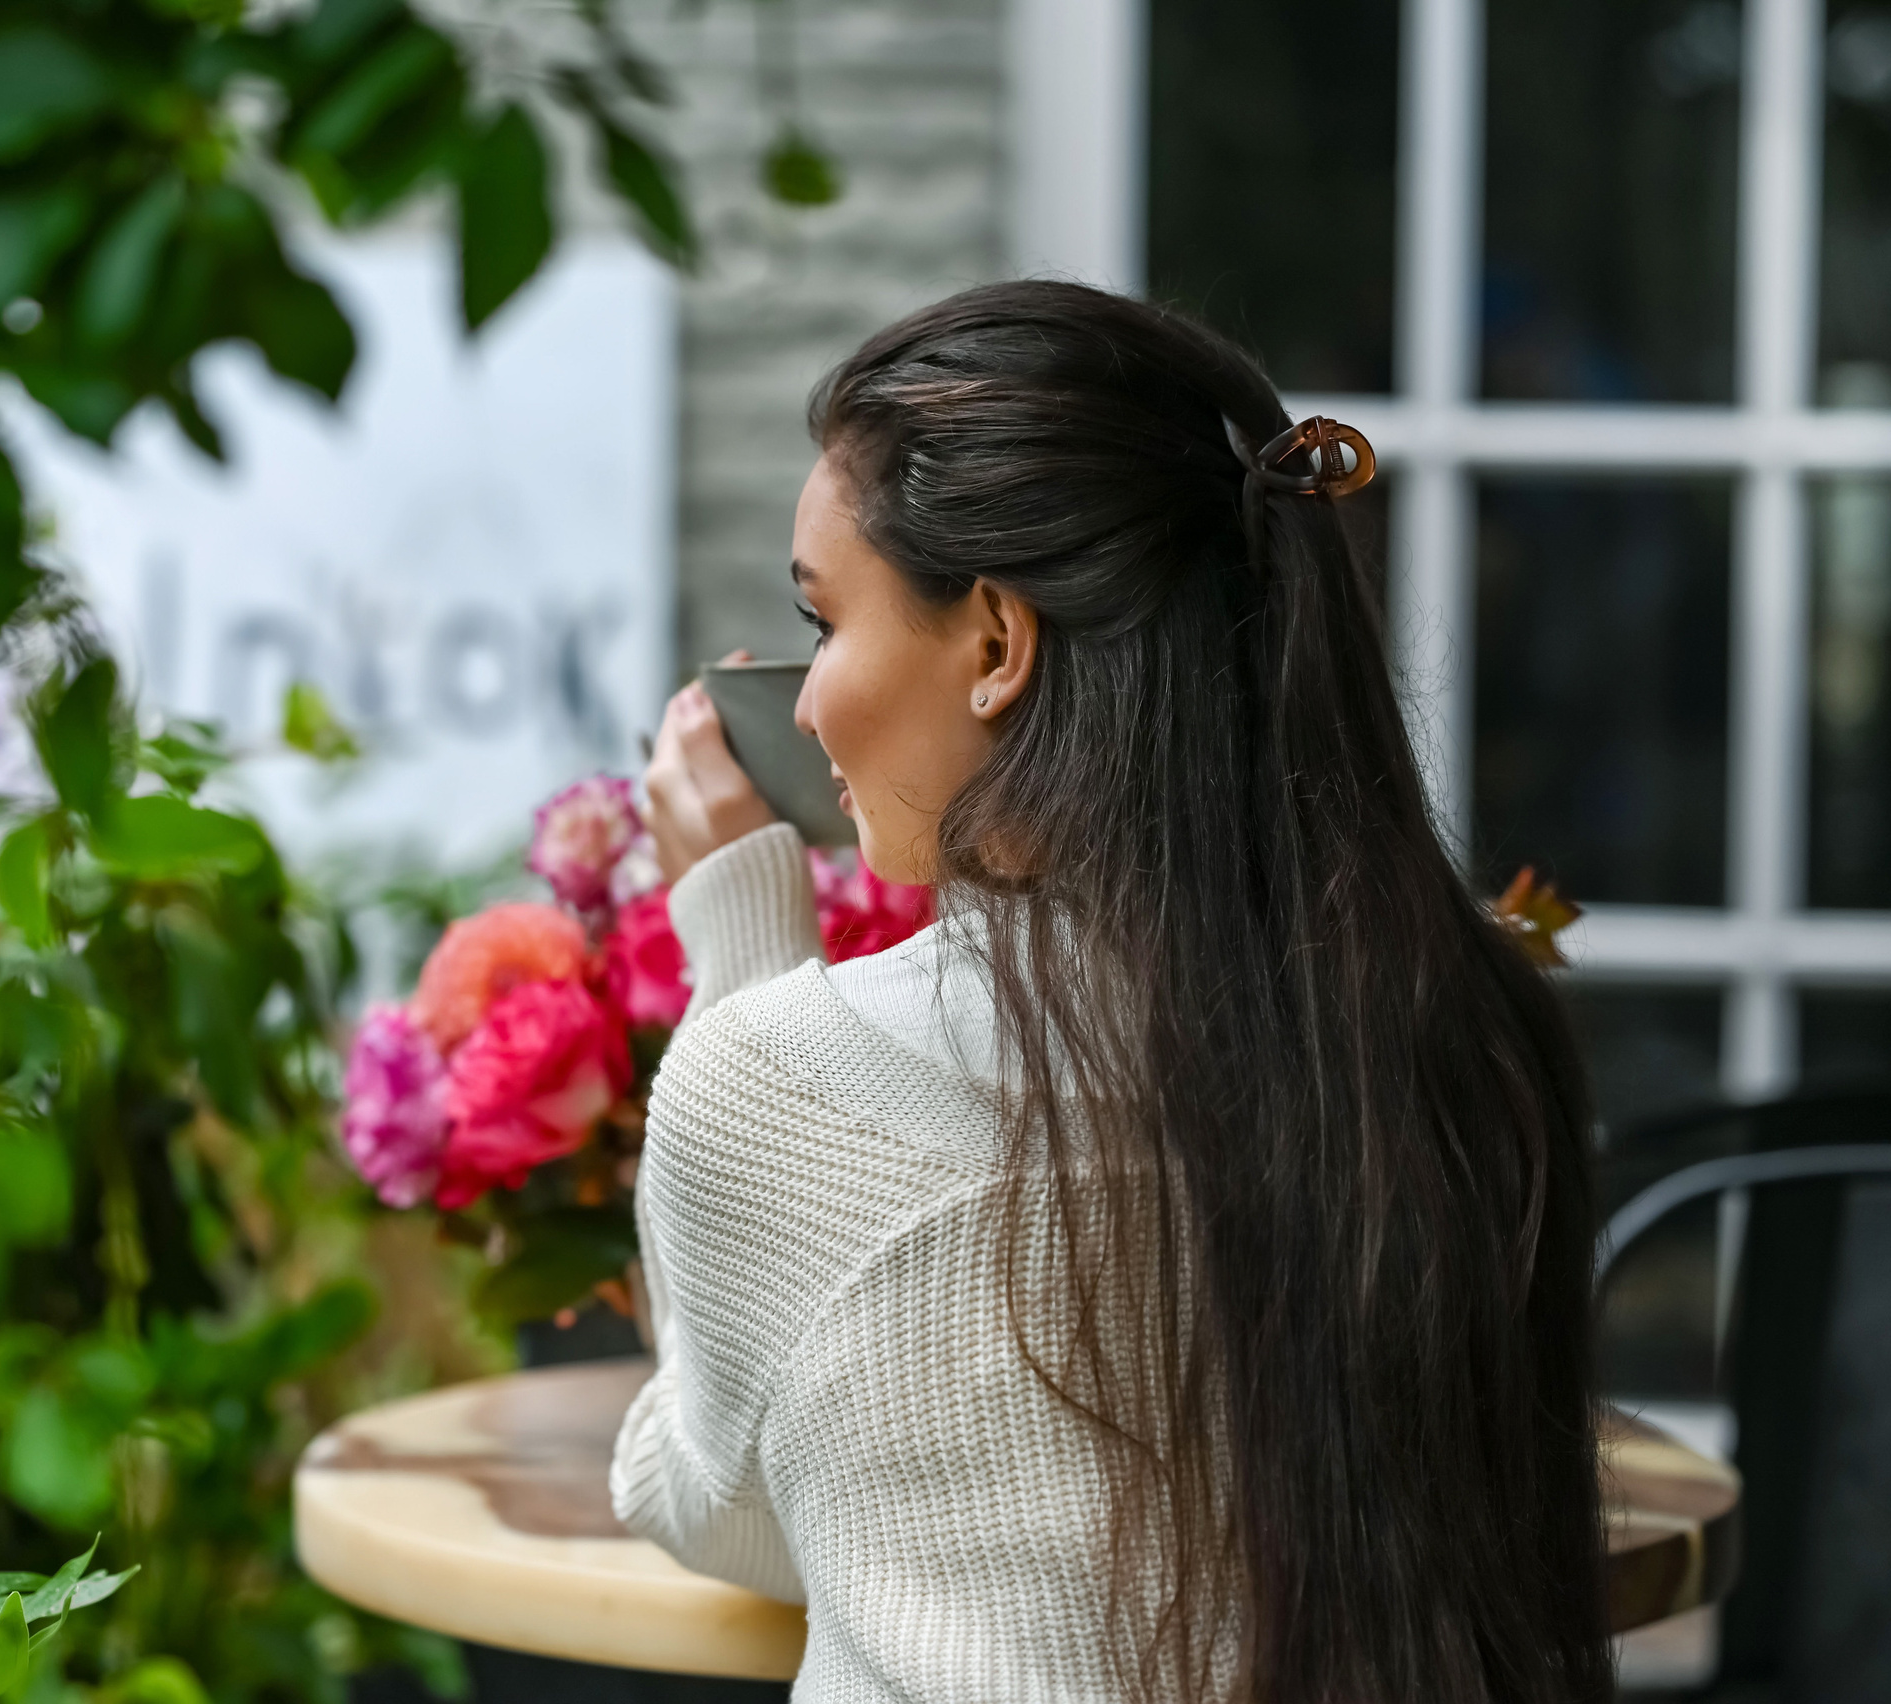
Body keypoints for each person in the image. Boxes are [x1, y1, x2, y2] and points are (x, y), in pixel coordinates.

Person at [613, 282, 1609, 1704]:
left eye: (822, 623)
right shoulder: (1460, 1032)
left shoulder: (774, 1081)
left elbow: (707, 1497)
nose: (813, 697)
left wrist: (741, 941)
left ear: (999, 645)